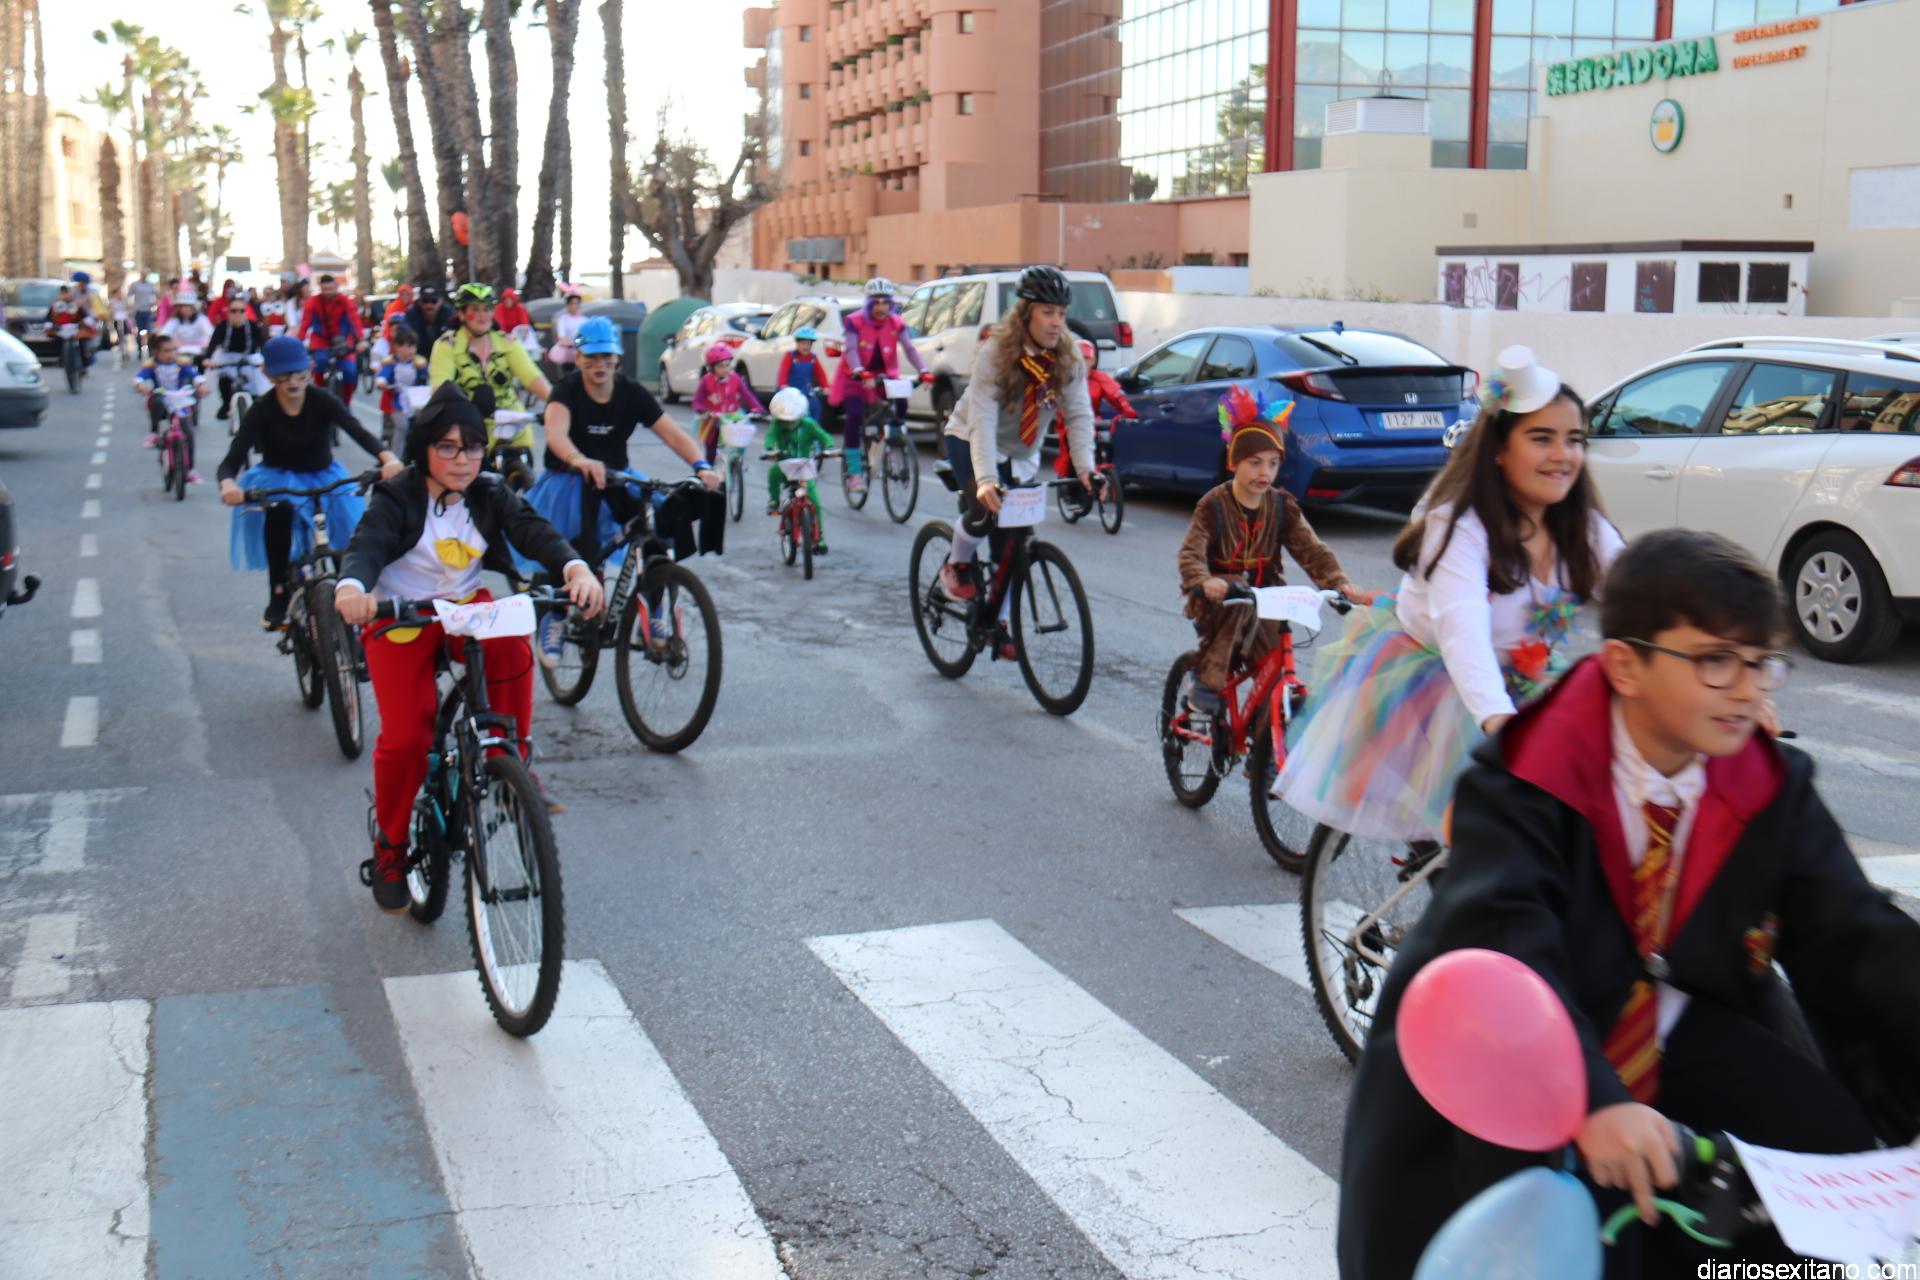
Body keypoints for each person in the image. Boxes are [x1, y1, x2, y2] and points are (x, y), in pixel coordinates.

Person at [1337, 528, 1920, 1280]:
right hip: (1514, 1047)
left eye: (1759, 663)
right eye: (1715, 661)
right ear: (1625, 665)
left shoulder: (1767, 784)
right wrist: (1591, 1100)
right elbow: (1511, 945)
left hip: (1672, 1026)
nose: (1748, 690)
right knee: (1551, 1235)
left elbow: (1855, 937)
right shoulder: (1522, 780)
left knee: (1825, 1151)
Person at [1273, 346, 1625, 844]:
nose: (1562, 455)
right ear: (1499, 449)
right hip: (1441, 685)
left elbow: (1637, 590)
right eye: (1541, 438)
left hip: (1526, 678)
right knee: (1480, 837)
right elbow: (1464, 633)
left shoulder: (1583, 526)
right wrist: (1497, 720)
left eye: (1574, 440)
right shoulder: (1460, 526)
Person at [333, 384, 604, 911]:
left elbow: (534, 532)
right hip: (400, 614)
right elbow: (366, 546)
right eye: (448, 447)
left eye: (473, 447)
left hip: (462, 607)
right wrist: (352, 590)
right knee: (408, 738)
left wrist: (576, 569)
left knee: (512, 642)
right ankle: (390, 847)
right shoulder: (397, 495)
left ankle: (511, 761)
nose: (462, 460)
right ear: (424, 449)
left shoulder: (489, 492)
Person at [526, 315, 720, 665]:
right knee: (571, 547)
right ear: (578, 358)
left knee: (657, 531)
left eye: (606, 356)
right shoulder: (566, 390)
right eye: (591, 356)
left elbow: (672, 433)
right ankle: (554, 615)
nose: (599, 364)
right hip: (570, 479)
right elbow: (556, 434)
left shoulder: (631, 392)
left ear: (617, 358)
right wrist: (580, 460)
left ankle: (656, 609)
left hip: (617, 477)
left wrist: (701, 466)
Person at [1177, 386, 1373, 712]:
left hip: (1266, 598)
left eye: (1272, 463)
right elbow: (1191, 552)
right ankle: (1206, 683)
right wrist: (1202, 580)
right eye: (1254, 463)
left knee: (1275, 662)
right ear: (1234, 462)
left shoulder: (1282, 506)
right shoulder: (1213, 505)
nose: (1264, 473)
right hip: (1219, 601)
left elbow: (1313, 550)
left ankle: (1268, 731)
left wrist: (1339, 584)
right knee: (1236, 594)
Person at [937, 265, 1099, 660]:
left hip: (1022, 453)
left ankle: (999, 623)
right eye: (1047, 312)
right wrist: (986, 479)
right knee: (983, 511)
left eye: (1061, 314)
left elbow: (1079, 415)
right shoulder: (996, 352)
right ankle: (956, 565)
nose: (1056, 322)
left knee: (1012, 543)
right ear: (1025, 313)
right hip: (971, 438)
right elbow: (982, 419)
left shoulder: (1068, 357)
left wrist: (1085, 469)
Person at [217, 336, 404, 628]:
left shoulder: (322, 400)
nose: (293, 382)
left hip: (324, 475)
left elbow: (357, 431)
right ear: (268, 375)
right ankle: (279, 593)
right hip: (278, 477)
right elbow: (232, 459)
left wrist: (388, 458)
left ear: (310, 369)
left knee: (348, 533)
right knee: (279, 513)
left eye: (300, 374)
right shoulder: (262, 410)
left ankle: (352, 590)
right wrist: (229, 485)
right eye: (283, 376)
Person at [830, 277, 930, 492]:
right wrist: (859, 371)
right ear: (869, 304)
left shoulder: (896, 322)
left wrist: (924, 370)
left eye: (885, 302)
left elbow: (909, 348)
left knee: (901, 404)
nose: (881, 307)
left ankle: (891, 444)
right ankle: (854, 474)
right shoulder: (854, 321)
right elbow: (851, 350)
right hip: (854, 376)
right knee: (854, 415)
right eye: (876, 302)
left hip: (884, 376)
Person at [428, 283, 554, 453]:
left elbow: (532, 377)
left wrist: (558, 401)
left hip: (511, 427)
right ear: (462, 314)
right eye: (475, 309)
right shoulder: (447, 345)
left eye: (487, 309)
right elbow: (441, 387)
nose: (482, 315)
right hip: (468, 428)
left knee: (522, 462)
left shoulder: (507, 342)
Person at [761, 386, 835, 553]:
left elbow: (823, 435)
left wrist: (829, 446)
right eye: (785, 421)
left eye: (792, 420)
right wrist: (769, 449)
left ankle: (819, 537)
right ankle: (774, 500)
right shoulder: (776, 424)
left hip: (804, 468)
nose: (789, 424)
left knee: (815, 502)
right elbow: (770, 437)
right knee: (773, 473)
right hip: (785, 466)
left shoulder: (809, 424)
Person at [1054, 337, 1135, 479]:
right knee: (1072, 452)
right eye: (1079, 358)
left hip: (1093, 421)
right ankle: (1072, 480)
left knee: (1108, 443)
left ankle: (1106, 470)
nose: (1082, 362)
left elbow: (1116, 396)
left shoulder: (1099, 378)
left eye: (1086, 358)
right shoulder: (1064, 378)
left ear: (1093, 361)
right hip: (1069, 422)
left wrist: (1129, 412)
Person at [135, 333, 210, 479]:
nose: (171, 354)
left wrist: (201, 385)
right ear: (156, 352)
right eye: (166, 351)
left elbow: (195, 376)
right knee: (156, 400)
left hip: (179, 400)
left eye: (174, 349)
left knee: (188, 432)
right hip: (162, 398)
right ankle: (154, 432)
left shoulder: (182, 365)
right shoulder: (152, 367)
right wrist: (140, 384)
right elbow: (139, 378)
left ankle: (190, 469)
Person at [297, 274, 366, 405]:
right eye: (325, 289)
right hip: (321, 341)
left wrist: (360, 339)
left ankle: (346, 403)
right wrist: (298, 341)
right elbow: (305, 323)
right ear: (321, 289)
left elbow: (354, 320)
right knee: (319, 365)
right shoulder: (312, 302)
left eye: (331, 289)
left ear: (336, 288)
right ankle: (320, 398)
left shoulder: (345, 301)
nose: (328, 292)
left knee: (350, 371)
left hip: (343, 341)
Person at [690, 342, 764, 464]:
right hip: (713, 417)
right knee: (711, 446)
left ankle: (737, 462)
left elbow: (747, 395)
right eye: (720, 366)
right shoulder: (706, 381)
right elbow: (697, 401)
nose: (725, 369)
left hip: (733, 415)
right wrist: (702, 410)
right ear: (711, 368)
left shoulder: (735, 378)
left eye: (728, 365)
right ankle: (709, 467)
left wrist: (758, 409)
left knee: (741, 439)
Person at [207, 297, 270, 419]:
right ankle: (226, 404)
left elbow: (263, 345)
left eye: (241, 310)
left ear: (246, 312)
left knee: (259, 383)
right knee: (223, 379)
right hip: (226, 358)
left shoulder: (253, 326)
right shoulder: (222, 326)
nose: (238, 314)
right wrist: (208, 359)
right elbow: (213, 344)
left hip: (249, 358)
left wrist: (267, 359)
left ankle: (256, 409)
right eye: (234, 311)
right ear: (228, 312)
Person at [374, 327, 429, 449]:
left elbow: (429, 375)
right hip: (397, 401)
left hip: (416, 401)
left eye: (413, 346)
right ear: (398, 347)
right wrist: (381, 382)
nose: (412, 350)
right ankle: (396, 455)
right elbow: (383, 375)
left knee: (422, 425)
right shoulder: (391, 363)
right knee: (402, 426)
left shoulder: (419, 364)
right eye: (408, 346)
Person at [776, 326, 825, 425]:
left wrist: (826, 386)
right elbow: (783, 372)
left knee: (815, 406)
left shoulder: (813, 358)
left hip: (805, 391)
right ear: (797, 343)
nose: (806, 346)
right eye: (803, 343)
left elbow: (821, 374)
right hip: (790, 392)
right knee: (790, 412)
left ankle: (813, 429)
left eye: (808, 344)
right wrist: (783, 384)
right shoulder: (790, 356)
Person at [46, 285, 98, 370]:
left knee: (82, 344)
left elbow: (84, 316)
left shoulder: (76, 304)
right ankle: (61, 359)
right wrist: (49, 325)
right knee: (56, 342)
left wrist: (87, 323)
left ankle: (84, 363)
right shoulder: (55, 305)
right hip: (61, 330)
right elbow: (49, 318)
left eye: (66, 293)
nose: (64, 296)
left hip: (76, 330)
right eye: (62, 293)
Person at [159, 295, 213, 368]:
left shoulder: (201, 319)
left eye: (189, 306)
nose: (187, 309)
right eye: (184, 306)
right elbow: (164, 334)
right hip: (179, 352)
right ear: (179, 308)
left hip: (199, 352)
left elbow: (210, 333)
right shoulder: (174, 320)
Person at [403, 284, 456, 350]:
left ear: (441, 301)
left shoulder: (449, 314)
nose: (429, 305)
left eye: (434, 301)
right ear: (419, 302)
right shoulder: (411, 315)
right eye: (425, 301)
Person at [545, 285, 585, 369]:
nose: (574, 306)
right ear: (567, 305)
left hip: (582, 354)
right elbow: (562, 337)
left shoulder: (585, 320)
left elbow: (586, 336)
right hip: (568, 355)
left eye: (576, 303)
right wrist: (575, 343)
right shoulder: (563, 319)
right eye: (571, 304)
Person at [128, 276, 158, 356]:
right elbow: (129, 296)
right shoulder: (135, 284)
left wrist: (154, 305)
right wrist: (131, 308)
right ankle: (139, 349)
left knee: (149, 330)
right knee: (139, 331)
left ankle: (150, 350)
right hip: (138, 311)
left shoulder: (150, 285)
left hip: (148, 310)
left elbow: (155, 296)